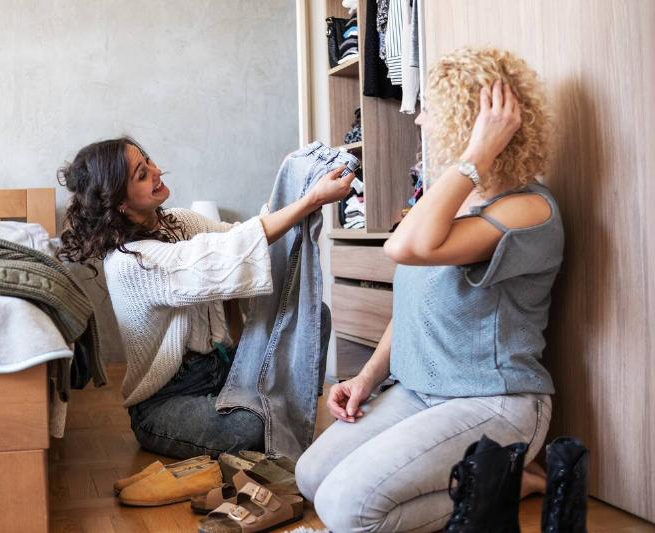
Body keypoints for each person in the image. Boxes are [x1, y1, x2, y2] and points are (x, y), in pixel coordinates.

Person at [295, 47, 562, 532]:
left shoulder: (527, 210)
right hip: (420, 392)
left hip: (492, 401)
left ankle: (509, 478)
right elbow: (415, 305)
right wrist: (368, 378)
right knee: (311, 477)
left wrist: (475, 155)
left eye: (432, 108)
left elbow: (405, 248)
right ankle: (499, 478)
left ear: (470, 117)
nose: (418, 120)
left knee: (346, 509)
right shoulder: (454, 198)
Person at [56, 137, 354, 458]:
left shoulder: (181, 221)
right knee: (250, 428)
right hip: (166, 403)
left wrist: (291, 179)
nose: (157, 172)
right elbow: (223, 255)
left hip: (225, 371)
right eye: (142, 174)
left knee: (313, 316)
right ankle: (270, 412)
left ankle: (273, 410)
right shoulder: (132, 262)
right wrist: (309, 201)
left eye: (149, 161)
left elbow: (242, 235)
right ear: (120, 204)